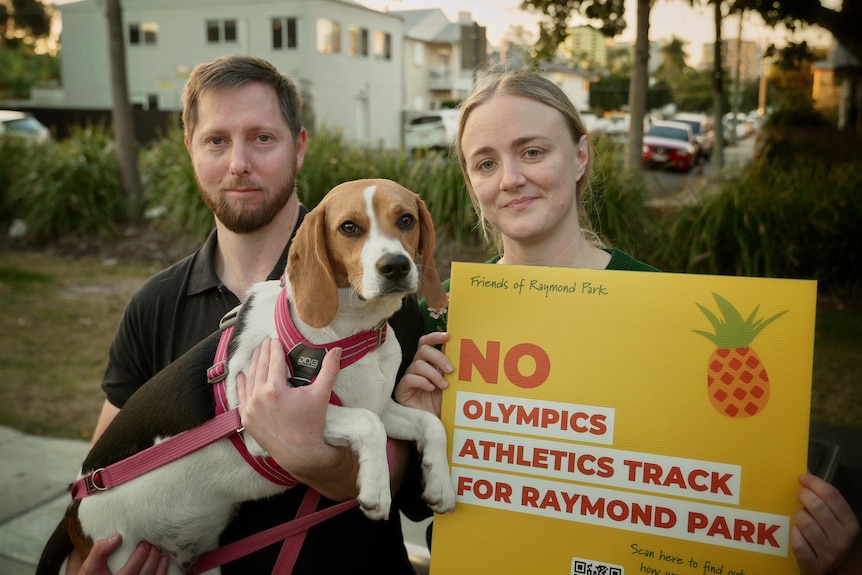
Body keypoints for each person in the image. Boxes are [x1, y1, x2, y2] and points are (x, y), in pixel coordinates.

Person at [394, 69, 861, 575]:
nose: (510, 178)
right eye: (486, 163)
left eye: (532, 152)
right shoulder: (442, 316)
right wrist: (420, 427)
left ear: (579, 156)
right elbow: (420, 507)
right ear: (471, 181)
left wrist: (823, 551)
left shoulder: (661, 306)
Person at [71, 54, 428, 574]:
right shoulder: (154, 303)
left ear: (299, 147)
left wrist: (312, 455)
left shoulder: (381, 289)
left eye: (262, 138)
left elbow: (406, 485)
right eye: (216, 140)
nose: (239, 162)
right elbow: (109, 463)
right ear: (190, 149)